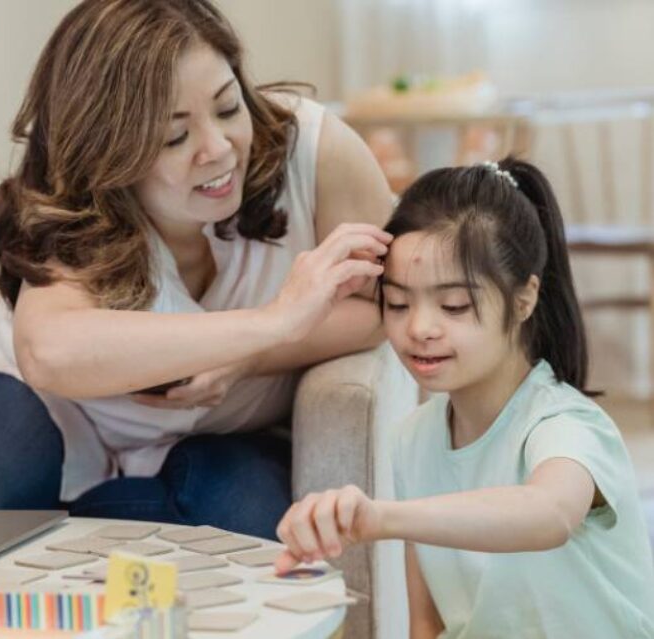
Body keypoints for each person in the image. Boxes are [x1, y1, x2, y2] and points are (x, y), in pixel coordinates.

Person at [0, 0, 394, 540]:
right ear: (107, 153)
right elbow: (48, 352)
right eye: (173, 138)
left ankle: (80, 526)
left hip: (221, 441)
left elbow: (392, 305)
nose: (219, 149)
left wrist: (248, 361)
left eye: (228, 108)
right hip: (52, 413)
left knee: (250, 534)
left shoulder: (315, 155)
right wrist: (265, 325)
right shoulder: (78, 206)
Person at [274, 158, 654, 636]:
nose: (419, 328)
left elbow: (549, 513)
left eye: (453, 305)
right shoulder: (414, 438)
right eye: (397, 303)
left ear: (524, 299)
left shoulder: (567, 425)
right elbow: (428, 624)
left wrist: (380, 518)